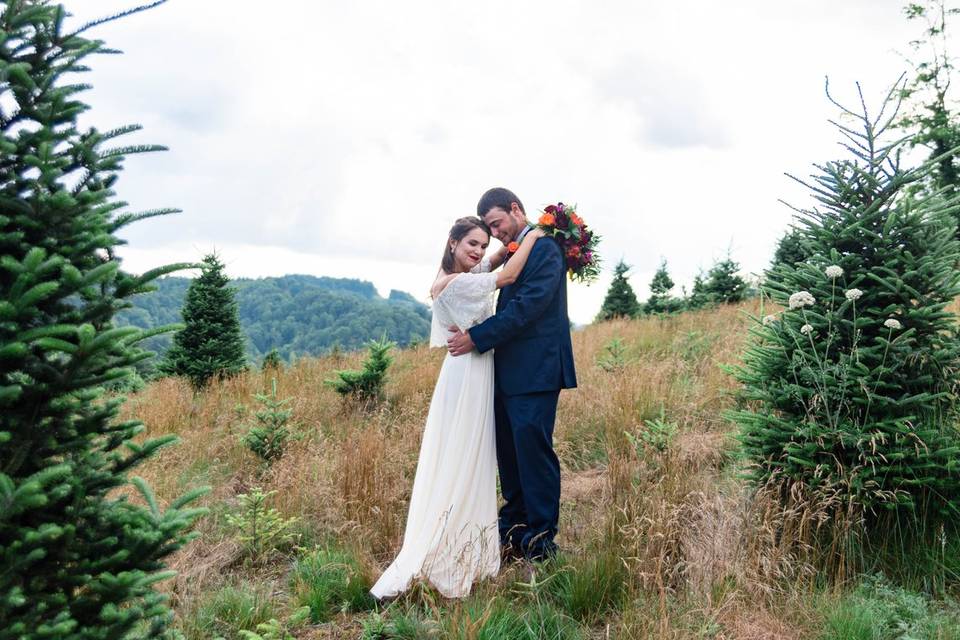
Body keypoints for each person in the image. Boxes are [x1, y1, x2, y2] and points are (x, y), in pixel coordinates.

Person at [370, 216, 545, 600]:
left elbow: (498, 257)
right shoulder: (456, 281)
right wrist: (537, 233)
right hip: (469, 373)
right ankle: (449, 546)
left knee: (474, 455)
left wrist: (515, 235)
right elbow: (509, 274)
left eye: (482, 244)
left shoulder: (465, 271)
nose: (479, 252)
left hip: (475, 370)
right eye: (471, 244)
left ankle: (471, 540)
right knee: (464, 454)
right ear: (452, 243)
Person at [447, 187, 577, 562]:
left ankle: (540, 539)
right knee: (509, 454)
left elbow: (528, 308)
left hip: (536, 371)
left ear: (515, 210)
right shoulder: (519, 249)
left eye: (497, 223)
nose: (497, 233)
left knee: (533, 453)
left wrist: (476, 338)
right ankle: (514, 526)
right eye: (489, 228)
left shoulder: (546, 249)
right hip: (506, 372)